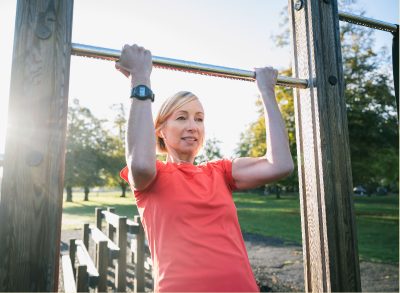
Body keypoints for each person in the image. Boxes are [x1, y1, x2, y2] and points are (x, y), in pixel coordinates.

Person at [116, 44, 294, 292]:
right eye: (181, 117)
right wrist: (140, 79)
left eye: (199, 119)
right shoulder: (151, 177)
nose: (193, 126)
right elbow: (141, 163)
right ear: (160, 131)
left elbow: (281, 164)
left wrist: (267, 92)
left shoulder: (219, 172)